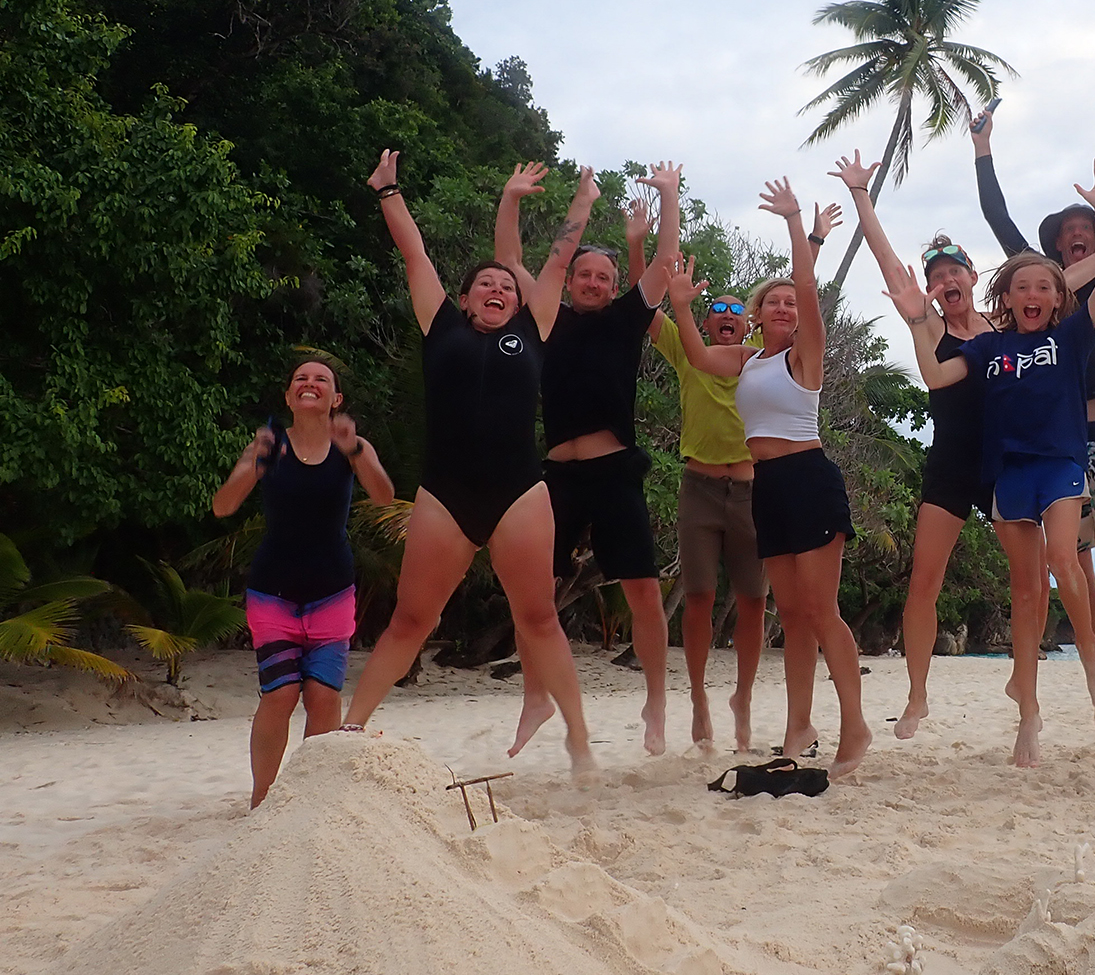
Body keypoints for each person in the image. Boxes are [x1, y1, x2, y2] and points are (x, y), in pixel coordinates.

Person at [343, 150, 597, 785]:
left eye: (506, 286)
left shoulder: (533, 331)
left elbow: (559, 259)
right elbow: (415, 255)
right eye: (486, 284)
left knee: (538, 617)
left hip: (519, 493)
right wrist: (389, 191)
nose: (498, 290)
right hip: (445, 494)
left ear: (518, 302)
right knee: (410, 619)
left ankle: (578, 736)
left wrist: (583, 202)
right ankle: (349, 731)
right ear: (463, 298)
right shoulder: (441, 327)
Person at [892, 158, 1095, 768]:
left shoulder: (1070, 336)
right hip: (1009, 474)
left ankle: (1092, 656)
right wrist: (917, 321)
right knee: (1025, 592)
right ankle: (1028, 710)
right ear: (1005, 296)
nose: (1032, 295)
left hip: (1060, 466)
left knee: (1062, 560)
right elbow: (936, 375)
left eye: (1044, 287)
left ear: (1058, 297)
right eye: (1021, 287)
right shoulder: (989, 345)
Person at [972, 73, 1095, 739]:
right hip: (1059, 448)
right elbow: (999, 221)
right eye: (1069, 233)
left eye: (1088, 228)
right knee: (1072, 563)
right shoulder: (1045, 297)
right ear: (1055, 251)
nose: (1080, 236)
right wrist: (982, 150)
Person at [666, 178, 872, 778]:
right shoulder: (746, 359)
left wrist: (795, 224)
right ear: (755, 316)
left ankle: (855, 726)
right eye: (772, 302)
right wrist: (682, 305)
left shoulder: (804, 354)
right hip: (767, 489)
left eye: (790, 303)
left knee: (822, 610)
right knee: (793, 614)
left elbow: (807, 285)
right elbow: (698, 356)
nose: (784, 307)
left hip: (809, 479)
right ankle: (797, 726)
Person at [494, 159, 681, 757]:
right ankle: (535, 696)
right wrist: (511, 199)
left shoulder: (627, 318)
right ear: (570, 279)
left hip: (615, 470)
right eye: (586, 275)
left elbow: (664, 261)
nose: (595, 283)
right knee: (535, 592)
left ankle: (655, 701)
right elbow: (509, 260)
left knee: (643, 590)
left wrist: (670, 197)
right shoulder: (546, 317)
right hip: (557, 477)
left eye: (604, 277)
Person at [829, 150, 996, 740]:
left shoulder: (1004, 325)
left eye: (955, 272)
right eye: (936, 277)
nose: (947, 281)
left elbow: (1059, 281)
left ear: (973, 276)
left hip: (1002, 462)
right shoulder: (928, 324)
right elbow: (885, 258)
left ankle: (1029, 686)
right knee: (925, 583)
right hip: (950, 463)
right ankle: (917, 696)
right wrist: (861, 194)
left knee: (1039, 570)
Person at [213, 359, 394, 807]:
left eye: (321, 379)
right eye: (300, 378)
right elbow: (222, 506)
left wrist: (355, 449)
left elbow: (385, 496)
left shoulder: (351, 448)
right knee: (280, 694)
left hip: (332, 591)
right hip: (272, 592)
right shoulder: (269, 447)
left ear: (336, 399)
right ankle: (262, 799)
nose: (309, 383)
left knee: (323, 696)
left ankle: (314, 800)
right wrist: (253, 465)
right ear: (289, 396)